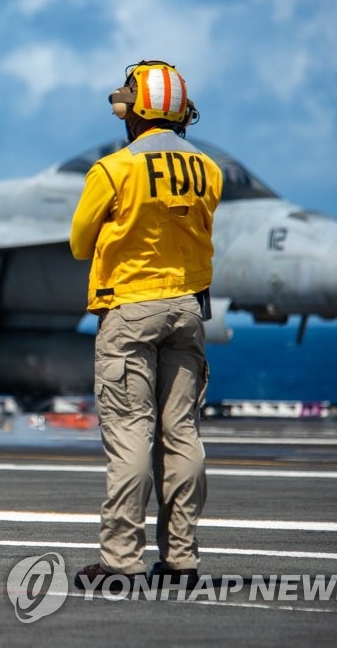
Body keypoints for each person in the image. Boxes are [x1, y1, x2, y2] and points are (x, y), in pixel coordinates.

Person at [68, 60, 223, 590]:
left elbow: (78, 242)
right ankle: (181, 559)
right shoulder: (209, 169)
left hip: (131, 311)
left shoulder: (113, 169)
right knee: (181, 435)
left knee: (130, 434)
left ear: (133, 110)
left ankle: (121, 560)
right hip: (187, 310)